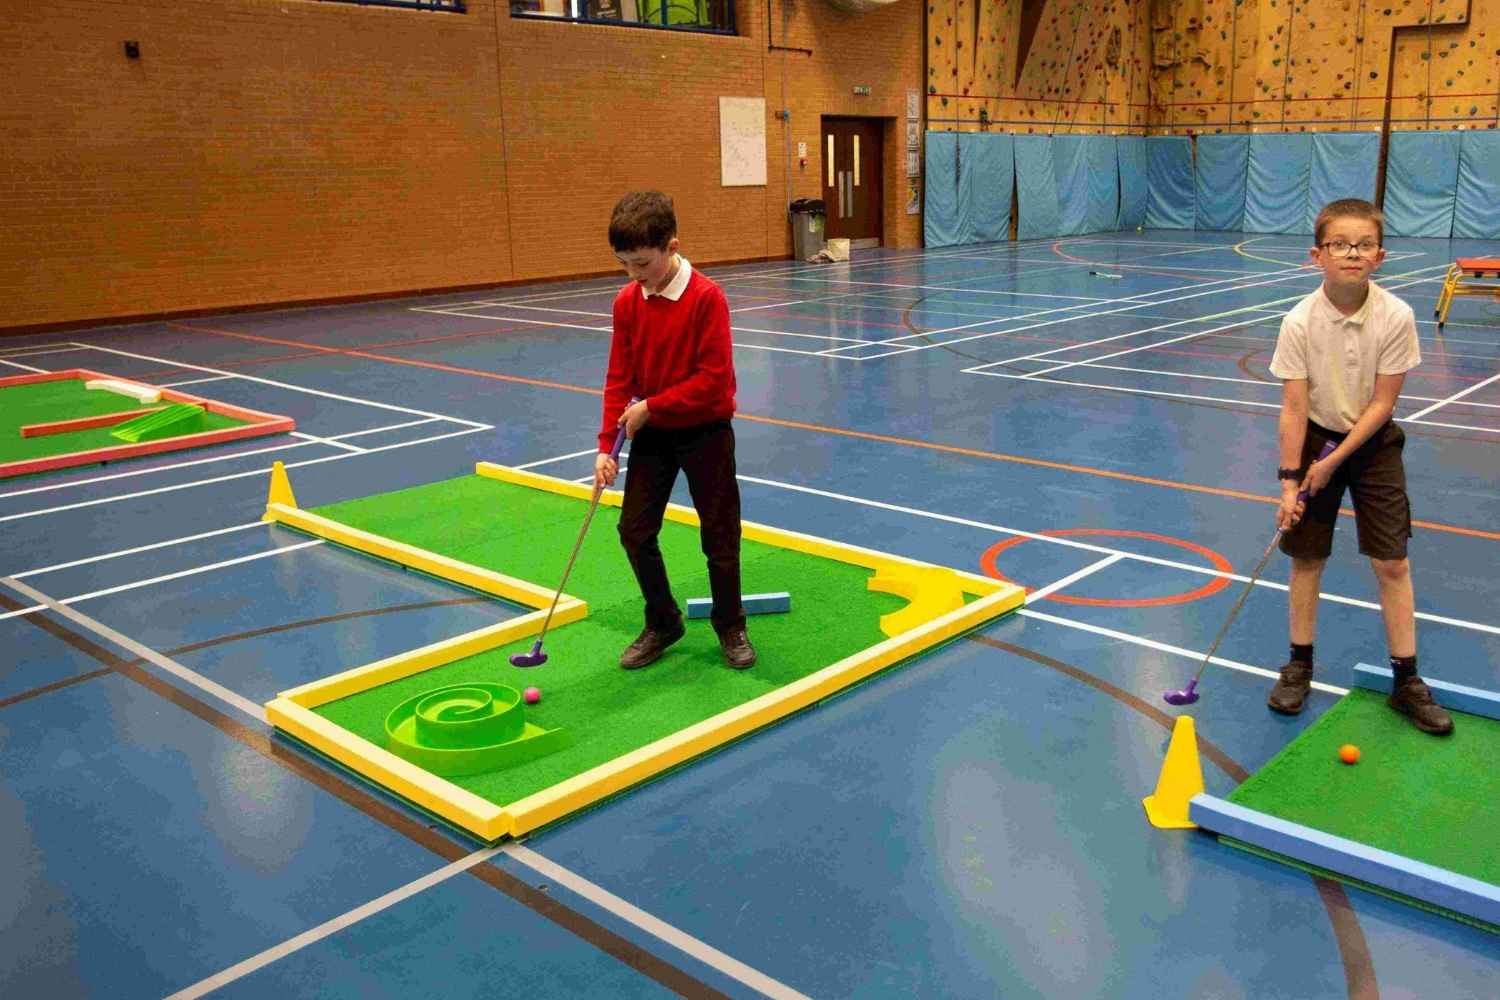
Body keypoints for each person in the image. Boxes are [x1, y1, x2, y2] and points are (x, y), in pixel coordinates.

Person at [1265, 197, 1451, 735]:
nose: (1352, 253)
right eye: (1340, 244)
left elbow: (1382, 405)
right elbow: (1294, 408)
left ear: (1380, 255)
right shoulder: (1298, 321)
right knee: (1306, 559)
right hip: (1315, 435)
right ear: (1317, 255)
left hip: (1370, 445)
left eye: (1364, 244)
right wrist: (1290, 480)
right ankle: (1299, 665)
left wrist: (1334, 463)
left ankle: (1406, 681)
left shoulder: (1395, 315)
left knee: (1392, 562)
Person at [594, 191, 755, 671]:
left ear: (672, 246)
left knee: (720, 535)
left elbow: (714, 384)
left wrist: (652, 407)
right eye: (624, 264)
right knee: (634, 531)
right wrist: (607, 447)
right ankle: (663, 621)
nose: (633, 274)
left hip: (705, 430)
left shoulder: (707, 298)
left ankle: (731, 625)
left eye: (642, 263)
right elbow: (618, 378)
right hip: (654, 433)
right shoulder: (627, 302)